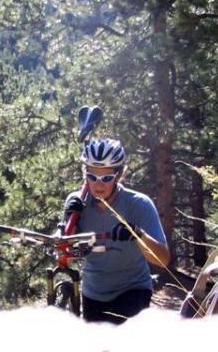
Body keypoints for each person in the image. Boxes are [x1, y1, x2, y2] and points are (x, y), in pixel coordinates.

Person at [62, 138, 170, 324]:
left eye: (106, 178)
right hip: (93, 293)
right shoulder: (77, 203)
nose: (98, 184)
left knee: (123, 348)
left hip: (133, 290)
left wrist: (138, 234)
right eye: (92, 177)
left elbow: (163, 259)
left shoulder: (139, 204)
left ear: (119, 176)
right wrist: (69, 232)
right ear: (85, 174)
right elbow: (67, 257)